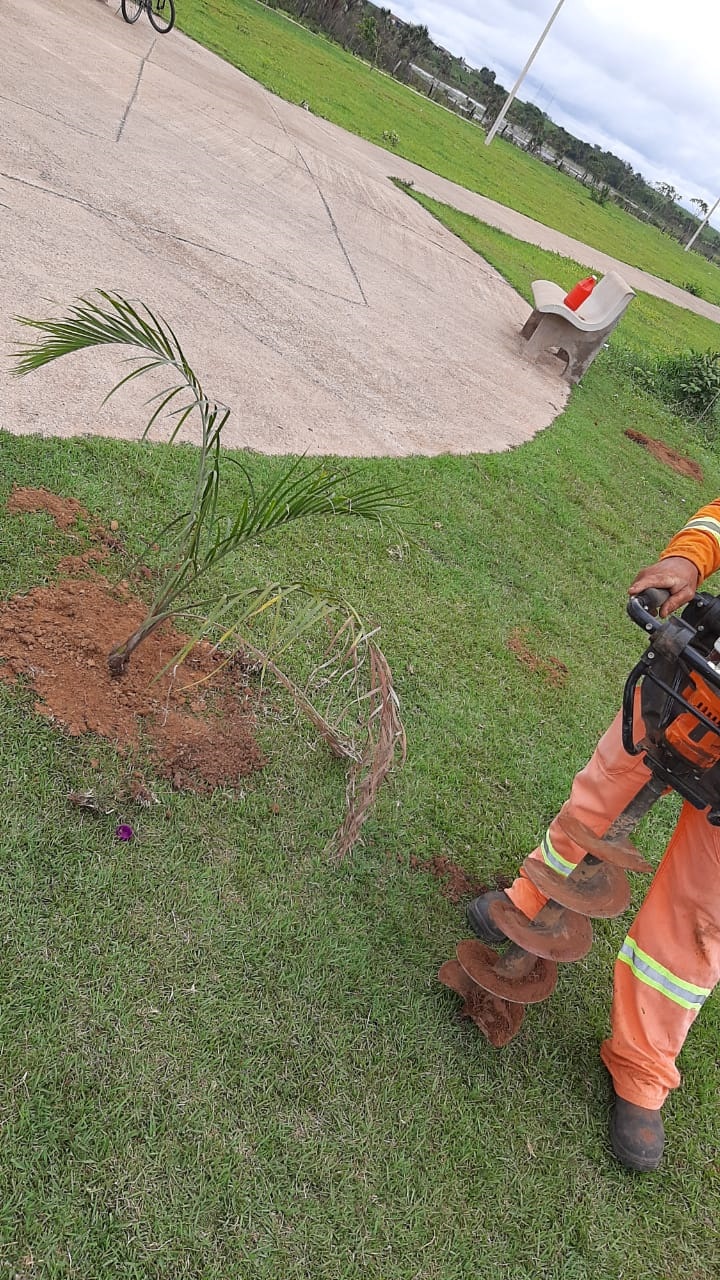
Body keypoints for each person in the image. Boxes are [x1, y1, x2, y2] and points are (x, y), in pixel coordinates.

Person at [466, 497, 720, 1173]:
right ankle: (527, 905)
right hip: (698, 674)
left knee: (702, 915)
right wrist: (685, 558)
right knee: (600, 795)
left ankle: (641, 1067)